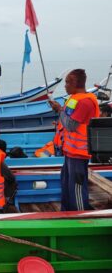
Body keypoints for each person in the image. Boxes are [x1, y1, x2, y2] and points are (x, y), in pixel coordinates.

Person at [49, 69, 100, 211]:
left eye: (68, 82)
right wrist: (59, 110)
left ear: (77, 83)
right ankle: (66, 213)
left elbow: (71, 125)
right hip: (70, 151)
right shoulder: (74, 99)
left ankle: (80, 216)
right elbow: (67, 119)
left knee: (77, 188)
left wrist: (59, 110)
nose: (65, 85)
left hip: (79, 153)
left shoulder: (85, 102)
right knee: (66, 184)